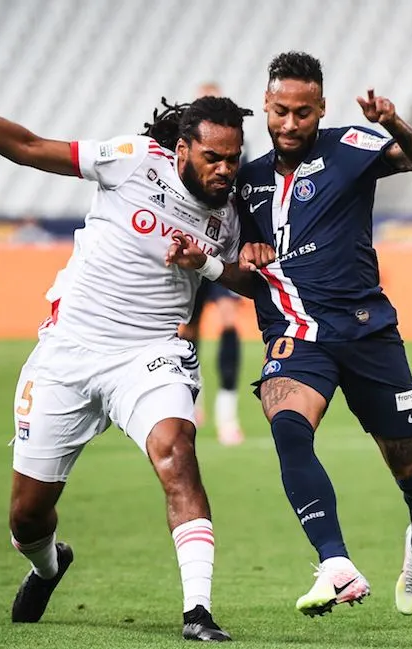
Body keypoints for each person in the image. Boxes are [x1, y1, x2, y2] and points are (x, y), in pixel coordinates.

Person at [0, 68, 273, 641]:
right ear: (181, 149)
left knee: (177, 449)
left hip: (150, 352)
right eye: (213, 157)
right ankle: (48, 566)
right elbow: (25, 147)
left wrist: (209, 265)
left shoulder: (235, 211)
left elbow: (255, 283)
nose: (225, 170)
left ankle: (197, 611)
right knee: (26, 517)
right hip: (69, 353)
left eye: (233, 158)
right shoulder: (129, 160)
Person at [237, 52, 412, 617]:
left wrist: (393, 122)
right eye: (281, 111)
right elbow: (240, 265)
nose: (290, 124)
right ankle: (336, 564)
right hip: (296, 335)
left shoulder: (350, 148)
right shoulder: (246, 181)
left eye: (304, 113)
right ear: (266, 105)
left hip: (367, 333)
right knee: (287, 426)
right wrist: (239, 255)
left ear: (321, 110)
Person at [179, 82, 246, 446]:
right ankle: (192, 403)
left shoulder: (233, 150)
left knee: (228, 320)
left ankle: (227, 414)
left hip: (218, 249)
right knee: (186, 331)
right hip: (191, 251)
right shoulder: (187, 149)